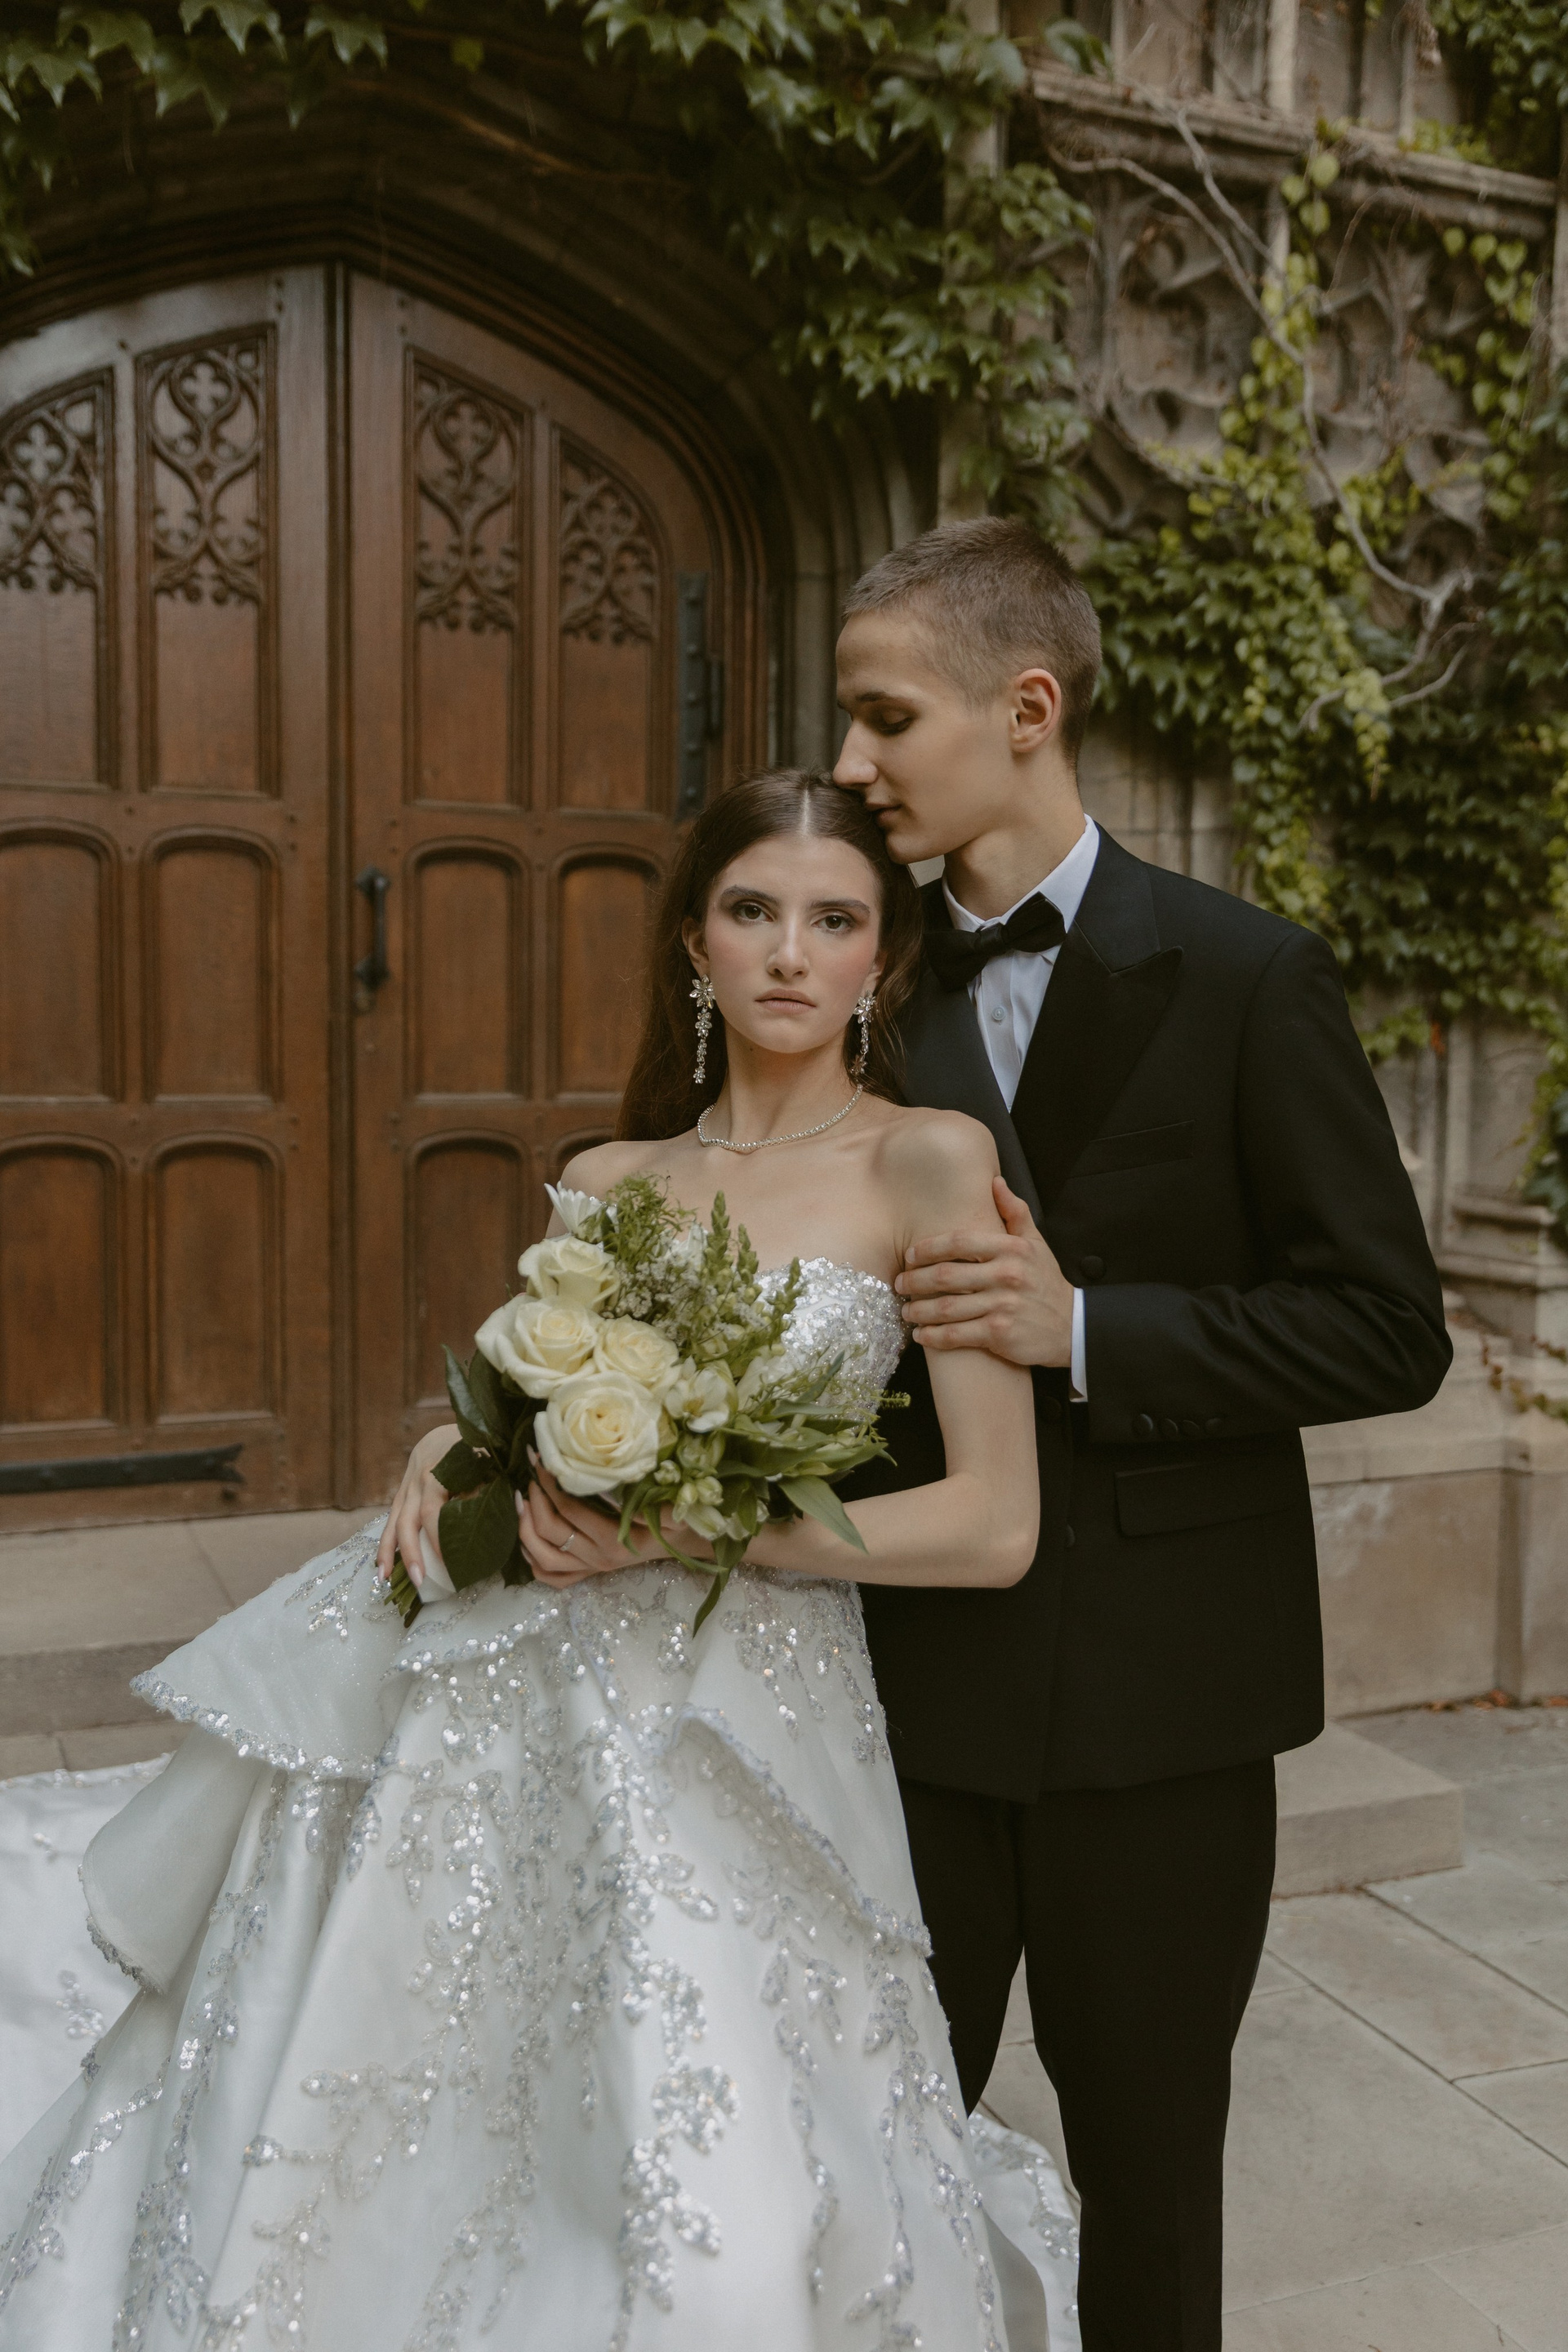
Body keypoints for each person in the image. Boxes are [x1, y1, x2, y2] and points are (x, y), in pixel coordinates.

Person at [0, 773, 1068, 2352]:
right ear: (694, 943)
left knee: (714, 2138)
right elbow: (523, 1395)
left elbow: (995, 1524)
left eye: (834, 919)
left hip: (747, 1714)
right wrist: (452, 1440)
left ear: (881, 957)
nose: (790, 953)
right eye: (752, 911)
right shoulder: (616, 1179)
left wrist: (699, 1528)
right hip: (511, 1686)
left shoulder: (926, 1159)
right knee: (432, 2078)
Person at [828, 517, 1454, 2350]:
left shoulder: (1252, 976)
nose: (851, 765)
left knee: (1153, 2183)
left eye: (887, 719)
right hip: (894, 1695)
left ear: (1026, 710)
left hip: (1168, 1708)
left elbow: (1390, 1325)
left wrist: (1088, 1330)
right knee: (865, 2168)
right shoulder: (843, 984)